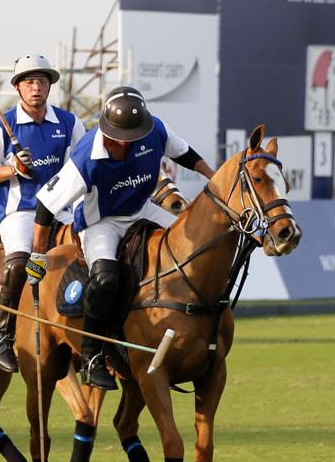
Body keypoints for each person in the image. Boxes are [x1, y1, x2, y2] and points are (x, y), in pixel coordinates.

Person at [26, 86, 215, 390]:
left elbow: (186, 155)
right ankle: (91, 356)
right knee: (106, 280)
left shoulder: (154, 130)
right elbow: (46, 204)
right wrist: (37, 255)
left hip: (142, 210)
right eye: (120, 140)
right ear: (109, 133)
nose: (126, 145)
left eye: (133, 139)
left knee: (191, 248)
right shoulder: (86, 156)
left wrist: (214, 178)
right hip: (100, 222)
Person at [0, 54, 84, 373]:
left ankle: (94, 346)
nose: (36, 87)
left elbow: (82, 164)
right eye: (29, 82)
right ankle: (3, 339)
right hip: (20, 211)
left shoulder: (69, 123)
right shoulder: (1, 125)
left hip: (62, 210)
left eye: (42, 81)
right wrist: (12, 168)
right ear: (18, 88)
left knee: (100, 260)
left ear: (49, 86)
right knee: (19, 261)